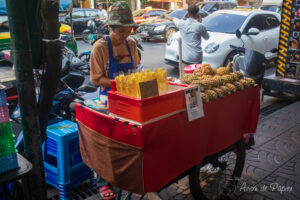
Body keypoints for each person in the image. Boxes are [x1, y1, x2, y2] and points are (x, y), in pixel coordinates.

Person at [90, 1, 140, 198]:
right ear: (111, 27)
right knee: (108, 143)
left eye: (128, 30)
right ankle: (103, 181)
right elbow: (96, 79)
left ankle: (127, 173)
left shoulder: (132, 44)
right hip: (108, 100)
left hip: (130, 99)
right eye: (121, 31)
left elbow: (136, 68)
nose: (125, 35)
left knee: (129, 140)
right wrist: (118, 84)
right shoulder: (100, 48)